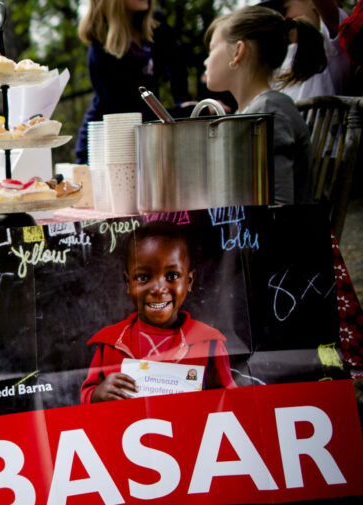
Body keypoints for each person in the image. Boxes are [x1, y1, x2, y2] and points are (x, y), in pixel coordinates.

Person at [80, 221, 236, 404]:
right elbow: (87, 395)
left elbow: (230, 400)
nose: (158, 289)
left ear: (190, 281)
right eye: (143, 277)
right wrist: (97, 394)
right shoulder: (111, 344)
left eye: (172, 276)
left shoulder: (209, 343)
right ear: (128, 283)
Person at [203, 6, 326, 205]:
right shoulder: (252, 111)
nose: (206, 61)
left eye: (211, 49)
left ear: (238, 51)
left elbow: (279, 209)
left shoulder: (269, 112)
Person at [75, 0, 192, 164]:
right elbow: (128, 114)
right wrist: (183, 112)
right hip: (105, 145)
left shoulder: (155, 24)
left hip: (144, 135)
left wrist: (186, 103)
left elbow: (176, 65)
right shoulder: (100, 48)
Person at [260, 0, 352, 100]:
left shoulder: (329, 44)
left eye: (284, 10)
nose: (281, 20)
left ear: (312, 2)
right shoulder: (280, 59)